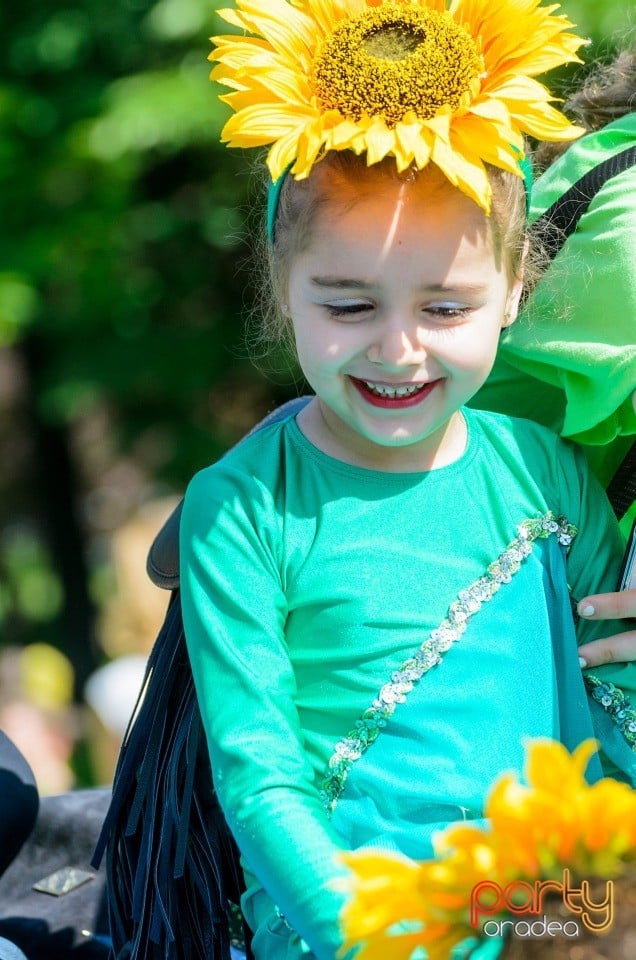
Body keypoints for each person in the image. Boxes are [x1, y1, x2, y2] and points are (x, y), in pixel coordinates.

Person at [115, 3, 636, 960]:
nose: (399, 350)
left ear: (515, 292)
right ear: (283, 285)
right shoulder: (241, 508)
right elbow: (260, 779)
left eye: (447, 306)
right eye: (349, 304)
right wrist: (377, 938)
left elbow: (621, 726)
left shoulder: (548, 474)